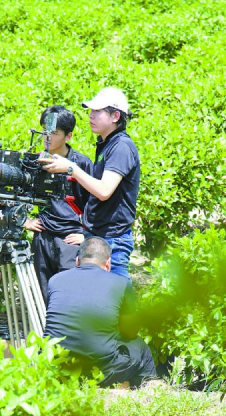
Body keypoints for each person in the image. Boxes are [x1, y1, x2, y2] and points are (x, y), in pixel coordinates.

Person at [40, 87, 139, 280]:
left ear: (115, 116)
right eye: (91, 111)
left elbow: (104, 190)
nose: (91, 115)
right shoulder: (107, 144)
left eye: (97, 111)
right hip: (100, 236)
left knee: (117, 295)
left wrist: (71, 168)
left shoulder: (121, 146)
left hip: (113, 240)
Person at [44, 237, 156, 388]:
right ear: (108, 263)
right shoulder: (121, 283)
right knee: (141, 348)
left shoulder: (55, 280)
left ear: (77, 261)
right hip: (97, 371)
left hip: (55, 366)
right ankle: (148, 391)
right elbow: (130, 333)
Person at [24, 105, 92, 303]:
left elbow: (95, 203)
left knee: (70, 296)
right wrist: (24, 221)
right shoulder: (35, 161)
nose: (47, 137)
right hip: (42, 236)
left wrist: (86, 235)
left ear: (68, 136)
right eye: (45, 131)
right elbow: (16, 192)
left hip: (70, 238)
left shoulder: (81, 164)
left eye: (54, 133)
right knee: (43, 294)